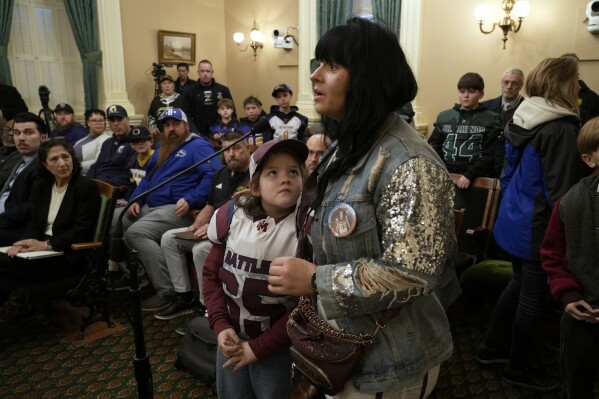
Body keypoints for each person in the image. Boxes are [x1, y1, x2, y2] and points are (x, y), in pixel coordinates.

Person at [267, 18, 457, 398]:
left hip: (391, 361)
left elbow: (412, 272)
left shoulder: (408, 162)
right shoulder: (348, 144)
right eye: (318, 64)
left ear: (368, 78)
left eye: (332, 66)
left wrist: (317, 279)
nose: (315, 76)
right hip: (342, 346)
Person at [476, 57, 590, 392]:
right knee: (532, 300)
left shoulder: (524, 114)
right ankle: (516, 370)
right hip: (538, 228)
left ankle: (489, 350)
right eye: (575, 80)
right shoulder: (562, 127)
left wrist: (519, 209)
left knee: (517, 287)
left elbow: (508, 176)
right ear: (563, 84)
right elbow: (563, 195)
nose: (579, 86)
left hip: (514, 221)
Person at [203, 139, 308, 399]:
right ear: (254, 186)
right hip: (231, 338)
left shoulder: (308, 231)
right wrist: (219, 324)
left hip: (278, 347)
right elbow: (211, 277)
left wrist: (258, 348)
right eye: (273, 172)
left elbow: (307, 307)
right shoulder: (230, 217)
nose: (285, 179)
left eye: (293, 172)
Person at [123, 108, 221, 312]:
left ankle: (167, 291)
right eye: (167, 125)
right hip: (151, 203)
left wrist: (191, 198)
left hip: (178, 208)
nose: (171, 129)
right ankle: (144, 278)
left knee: (135, 233)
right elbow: (148, 179)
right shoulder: (162, 147)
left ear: (186, 125)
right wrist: (135, 200)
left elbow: (214, 177)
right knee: (119, 218)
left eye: (176, 124)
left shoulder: (198, 146)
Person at [0, 139, 100, 320]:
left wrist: (46, 245)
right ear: (45, 165)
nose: (62, 163)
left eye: (65, 157)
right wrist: (24, 242)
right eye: (54, 159)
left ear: (72, 159)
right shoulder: (42, 186)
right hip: (40, 250)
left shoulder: (85, 187)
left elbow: (82, 231)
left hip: (67, 254)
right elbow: (34, 224)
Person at [158, 130, 251, 322]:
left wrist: (211, 228)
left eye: (236, 148)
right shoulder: (221, 173)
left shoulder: (254, 177)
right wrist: (195, 226)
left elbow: (244, 215)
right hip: (210, 227)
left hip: (235, 233)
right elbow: (209, 205)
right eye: (226, 150)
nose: (231, 154)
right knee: (169, 238)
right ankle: (184, 296)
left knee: (200, 250)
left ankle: (206, 306)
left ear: (247, 148)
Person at [541, 116, 599, 399]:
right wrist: (568, 295)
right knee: (577, 382)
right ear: (589, 159)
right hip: (583, 315)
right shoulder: (571, 202)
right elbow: (552, 255)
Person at [428, 72, 502, 187]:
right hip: (445, 172)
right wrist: (441, 168)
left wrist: (471, 174)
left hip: (476, 177)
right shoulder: (444, 117)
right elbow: (434, 146)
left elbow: (490, 153)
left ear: (481, 94)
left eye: (471, 92)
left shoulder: (491, 119)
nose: (466, 95)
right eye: (462, 91)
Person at [0, 112, 48, 246]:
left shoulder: (45, 165)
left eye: (28, 132)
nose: (21, 138)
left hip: (19, 229)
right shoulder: (17, 157)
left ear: (43, 138)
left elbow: (32, 207)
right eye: (17, 133)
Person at [182, 59, 234, 137]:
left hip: (221, 135)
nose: (205, 74)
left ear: (212, 72)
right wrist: (195, 132)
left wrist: (229, 131)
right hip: (197, 134)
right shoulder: (188, 91)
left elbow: (233, 113)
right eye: (202, 71)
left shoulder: (223, 90)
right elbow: (186, 115)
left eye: (208, 71)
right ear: (198, 73)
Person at [87, 105, 136, 187]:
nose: (116, 123)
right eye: (112, 120)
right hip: (97, 185)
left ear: (127, 120)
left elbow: (131, 175)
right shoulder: (107, 143)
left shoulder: (136, 142)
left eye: (119, 119)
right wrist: (86, 181)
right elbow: (95, 166)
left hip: (116, 188)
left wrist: (102, 183)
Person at [72, 109, 111, 175]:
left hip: (89, 176)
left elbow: (98, 162)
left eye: (101, 120)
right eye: (94, 120)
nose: (98, 123)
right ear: (88, 123)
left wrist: (73, 166)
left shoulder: (107, 140)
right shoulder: (82, 139)